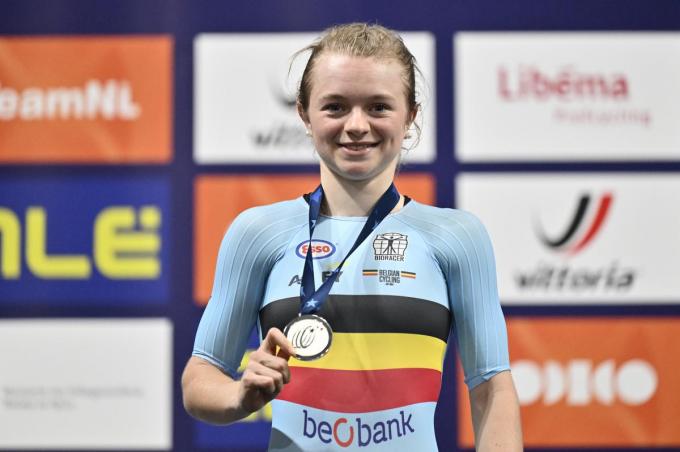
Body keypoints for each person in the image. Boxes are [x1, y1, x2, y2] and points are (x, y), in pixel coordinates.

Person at [182, 22, 522, 451]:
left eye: (379, 107)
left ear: (411, 114)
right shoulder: (257, 234)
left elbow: (492, 387)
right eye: (336, 107)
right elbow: (200, 378)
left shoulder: (456, 237)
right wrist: (239, 395)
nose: (357, 125)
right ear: (304, 114)